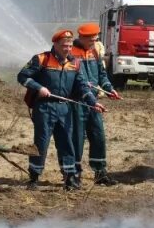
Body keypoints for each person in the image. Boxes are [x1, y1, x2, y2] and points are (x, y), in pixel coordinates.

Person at [17, 30, 105, 190]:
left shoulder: (76, 64)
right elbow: (22, 77)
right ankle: (34, 177)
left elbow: (83, 87)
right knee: (41, 143)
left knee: (67, 142)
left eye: (70, 45)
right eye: (64, 45)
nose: (68, 49)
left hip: (65, 108)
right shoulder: (41, 59)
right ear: (55, 44)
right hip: (44, 107)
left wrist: (93, 102)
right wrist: (39, 88)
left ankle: (70, 178)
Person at [70, 23, 121, 186]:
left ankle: (100, 173)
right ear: (82, 38)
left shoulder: (95, 51)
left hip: (94, 101)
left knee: (98, 136)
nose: (94, 42)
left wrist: (109, 89)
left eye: (95, 39)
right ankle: (73, 174)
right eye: (91, 39)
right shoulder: (71, 52)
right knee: (77, 138)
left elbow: (101, 74)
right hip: (77, 101)